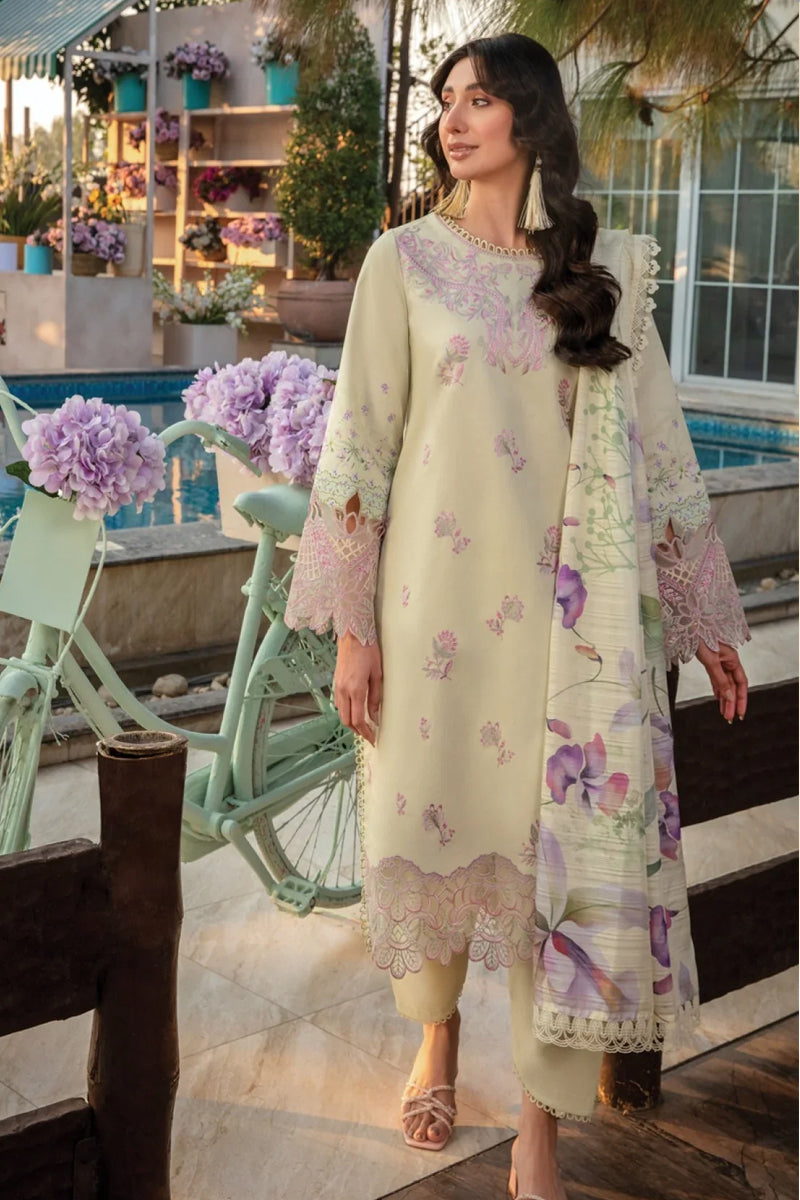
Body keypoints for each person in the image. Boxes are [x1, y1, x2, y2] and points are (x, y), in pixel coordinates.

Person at [284, 33, 750, 1200]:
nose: (453, 118)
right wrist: (354, 630)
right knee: (430, 828)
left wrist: (703, 618)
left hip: (567, 631)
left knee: (559, 861)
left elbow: (659, 447)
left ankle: (539, 1127)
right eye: (445, 100)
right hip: (430, 618)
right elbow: (358, 447)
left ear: (530, 119)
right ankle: (433, 1042)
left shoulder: (605, 271)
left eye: (480, 99)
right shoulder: (402, 261)